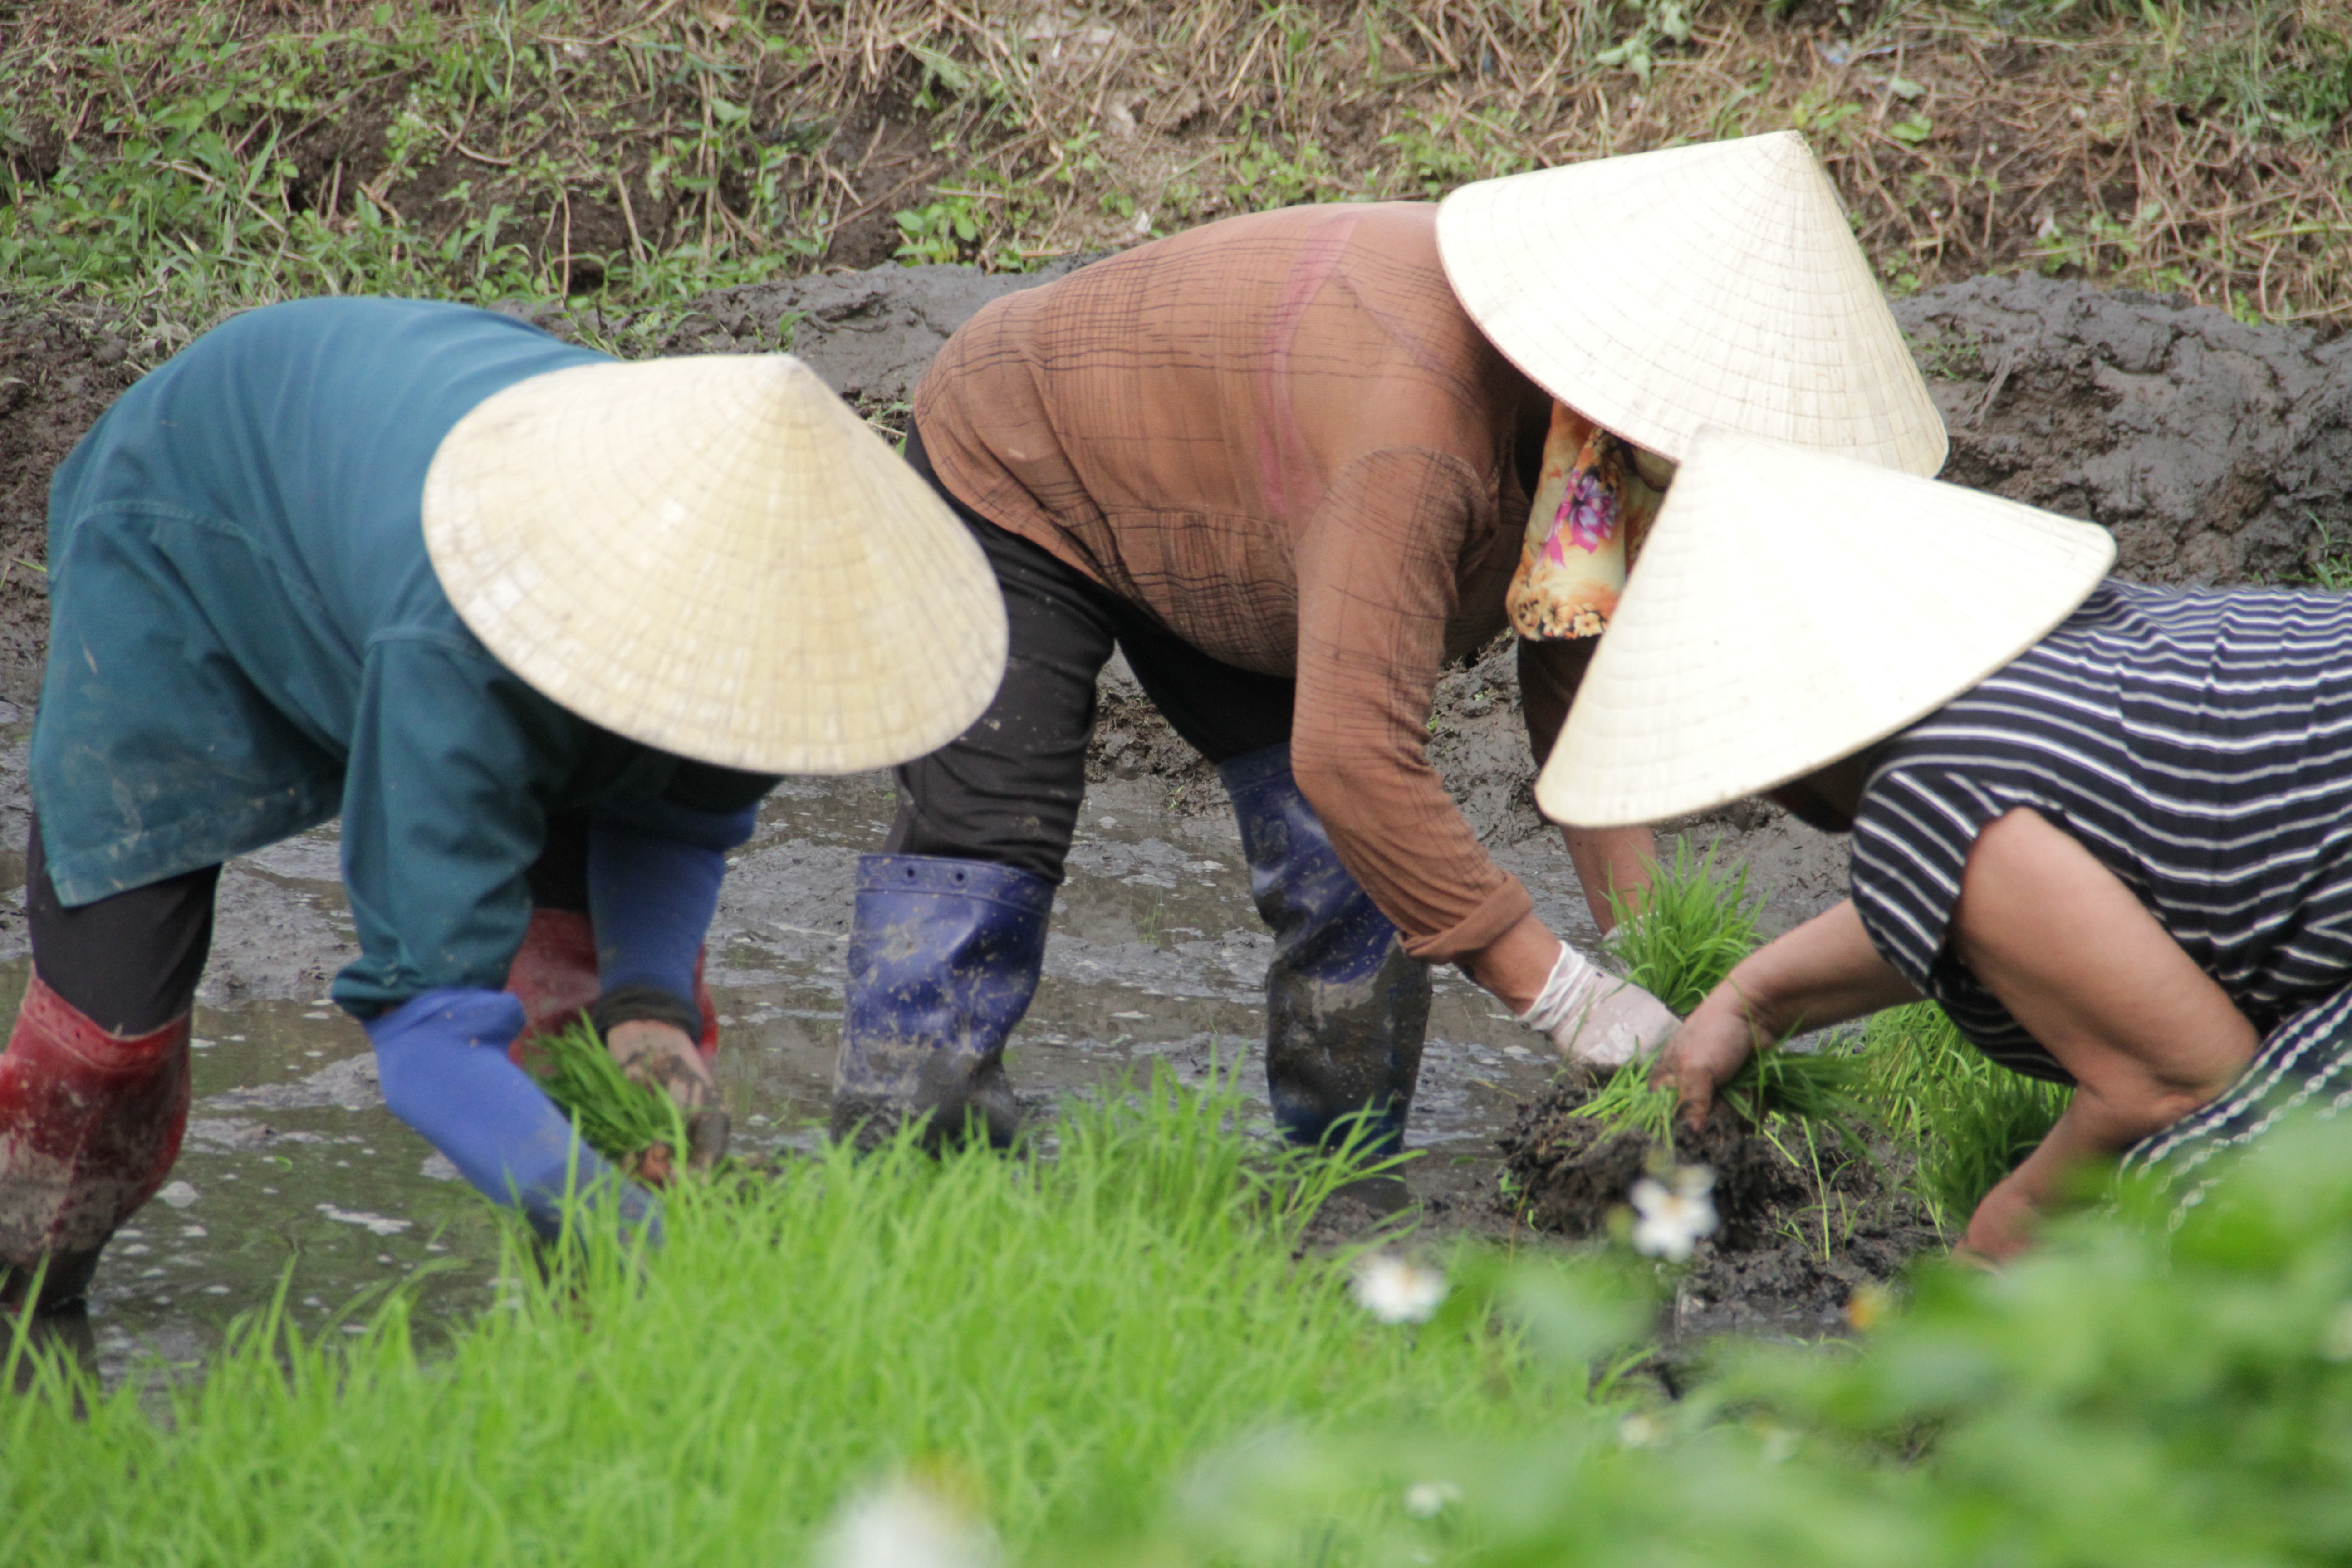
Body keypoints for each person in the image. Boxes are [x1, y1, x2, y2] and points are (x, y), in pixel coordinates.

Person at [835, 130, 1948, 1152]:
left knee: (1356, 877)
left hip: (1254, 525)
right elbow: (1354, 758)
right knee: (988, 848)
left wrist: (1662, 971)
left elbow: (1577, 697)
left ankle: (1340, 1187)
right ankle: (903, 1175)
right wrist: (1565, 996)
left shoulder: (1594, 446)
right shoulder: (1416, 441)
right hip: (1026, 466)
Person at [0, 298, 1006, 1313]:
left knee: (581, 1020)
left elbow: (679, 816)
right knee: (104, 1057)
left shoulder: (773, 606)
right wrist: (642, 1242)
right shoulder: (465, 644)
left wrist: (650, 1009)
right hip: (191, 513)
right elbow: (430, 1033)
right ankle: (25, 1306)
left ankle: (599, 1340)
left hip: (406, 509)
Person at [1542, 425, 2352, 1262]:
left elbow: (2177, 1081)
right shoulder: (2023, 660)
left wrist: (1990, 1248)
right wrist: (1755, 1002)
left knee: (2210, 1210)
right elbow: (2007, 898)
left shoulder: (1935, 781)